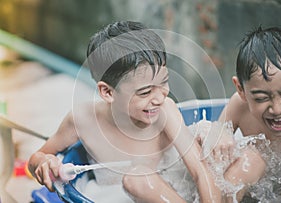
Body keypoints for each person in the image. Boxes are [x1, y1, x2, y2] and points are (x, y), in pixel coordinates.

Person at [28, 21, 264, 203]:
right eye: (144, 92)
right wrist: (45, 162)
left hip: (185, 190)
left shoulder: (165, 112)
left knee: (252, 159)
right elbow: (37, 157)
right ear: (108, 93)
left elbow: (199, 171)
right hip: (143, 192)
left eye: (165, 82)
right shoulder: (83, 120)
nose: (160, 97)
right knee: (137, 177)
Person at [219, 26, 281, 155]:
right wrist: (218, 135)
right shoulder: (239, 106)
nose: (277, 109)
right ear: (241, 90)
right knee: (253, 161)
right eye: (261, 98)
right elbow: (214, 143)